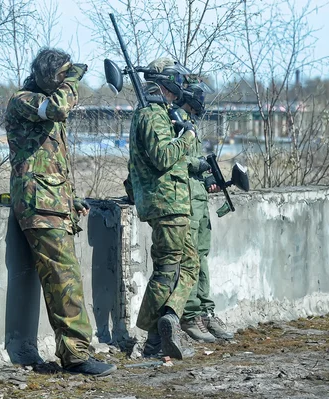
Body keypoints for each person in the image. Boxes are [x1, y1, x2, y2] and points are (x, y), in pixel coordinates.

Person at [4, 47, 116, 376]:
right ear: (52, 77)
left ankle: (75, 351)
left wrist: (71, 199)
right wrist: (72, 81)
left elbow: (52, 163)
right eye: (63, 75)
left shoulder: (43, 103)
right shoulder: (24, 100)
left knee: (64, 280)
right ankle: (77, 355)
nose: (69, 82)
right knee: (65, 281)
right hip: (38, 206)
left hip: (51, 204)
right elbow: (59, 108)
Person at [126, 57, 200, 359]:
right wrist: (186, 138)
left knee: (190, 264)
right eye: (175, 84)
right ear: (166, 83)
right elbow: (162, 156)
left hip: (171, 202)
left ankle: (169, 318)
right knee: (167, 271)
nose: (178, 89)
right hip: (167, 203)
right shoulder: (152, 114)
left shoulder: (155, 113)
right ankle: (153, 336)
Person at [174, 77, 234, 342]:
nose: (202, 100)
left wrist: (208, 178)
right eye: (198, 94)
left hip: (197, 199)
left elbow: (195, 160)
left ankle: (206, 314)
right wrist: (196, 166)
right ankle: (191, 316)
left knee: (202, 258)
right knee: (189, 262)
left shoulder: (189, 122)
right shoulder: (173, 120)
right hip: (183, 199)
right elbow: (169, 157)